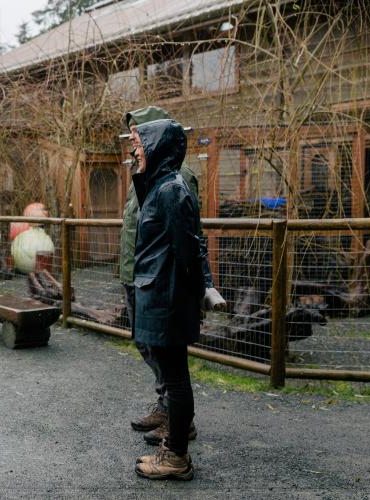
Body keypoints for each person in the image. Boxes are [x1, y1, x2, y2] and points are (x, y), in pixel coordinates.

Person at [120, 106, 223, 446]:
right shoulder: (147, 176)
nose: (134, 146)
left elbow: (189, 241)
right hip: (140, 276)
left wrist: (200, 287)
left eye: (139, 137)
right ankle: (168, 410)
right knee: (147, 345)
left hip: (163, 286)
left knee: (170, 362)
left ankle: (176, 424)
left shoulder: (173, 185)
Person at [127, 118, 203, 480]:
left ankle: (176, 456)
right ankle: (174, 449)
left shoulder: (172, 190)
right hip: (160, 292)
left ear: (157, 147)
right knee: (173, 376)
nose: (134, 150)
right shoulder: (157, 186)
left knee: (175, 378)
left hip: (169, 296)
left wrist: (194, 293)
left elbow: (188, 248)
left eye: (140, 144)